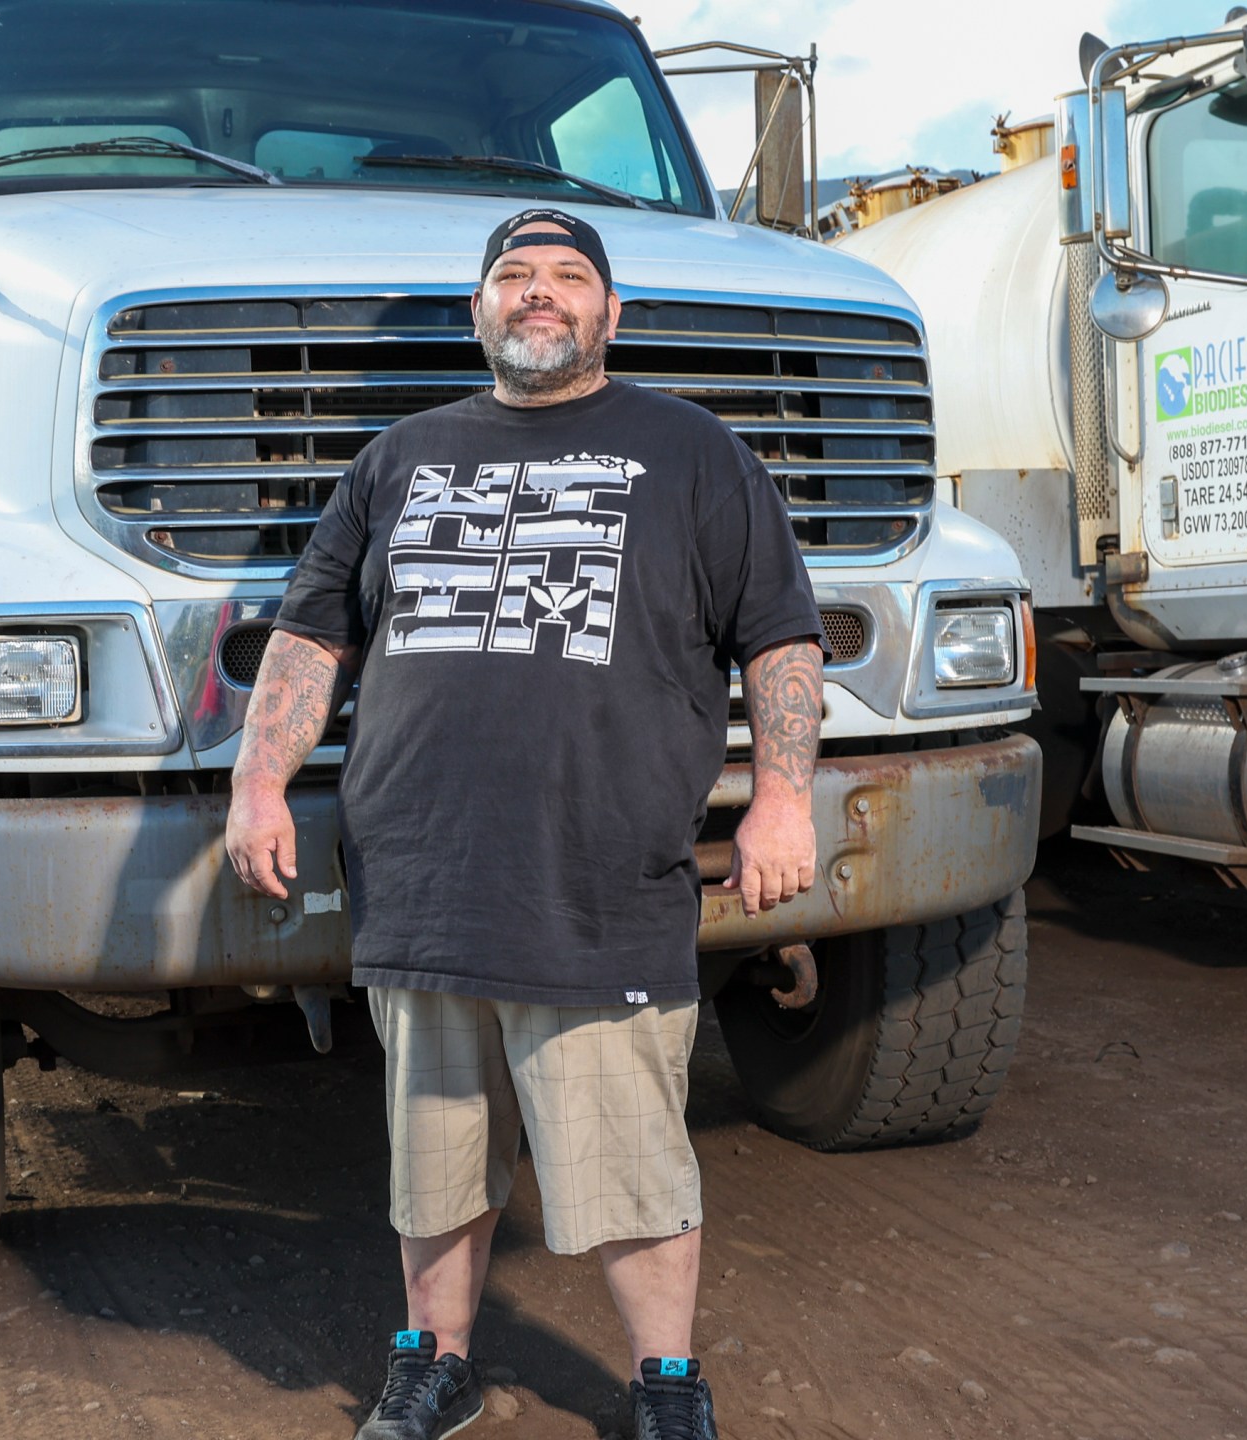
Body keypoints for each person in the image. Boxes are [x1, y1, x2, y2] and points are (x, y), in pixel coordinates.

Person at [225, 208, 825, 1440]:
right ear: (479, 312)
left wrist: (781, 796)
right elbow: (312, 635)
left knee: (629, 1163)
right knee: (433, 1160)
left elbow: (779, 635)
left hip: (597, 881)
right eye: (514, 276)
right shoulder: (398, 456)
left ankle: (665, 1384)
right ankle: (434, 1364)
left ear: (612, 313)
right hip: (422, 873)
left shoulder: (695, 452)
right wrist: (258, 782)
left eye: (566, 278)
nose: (538, 293)